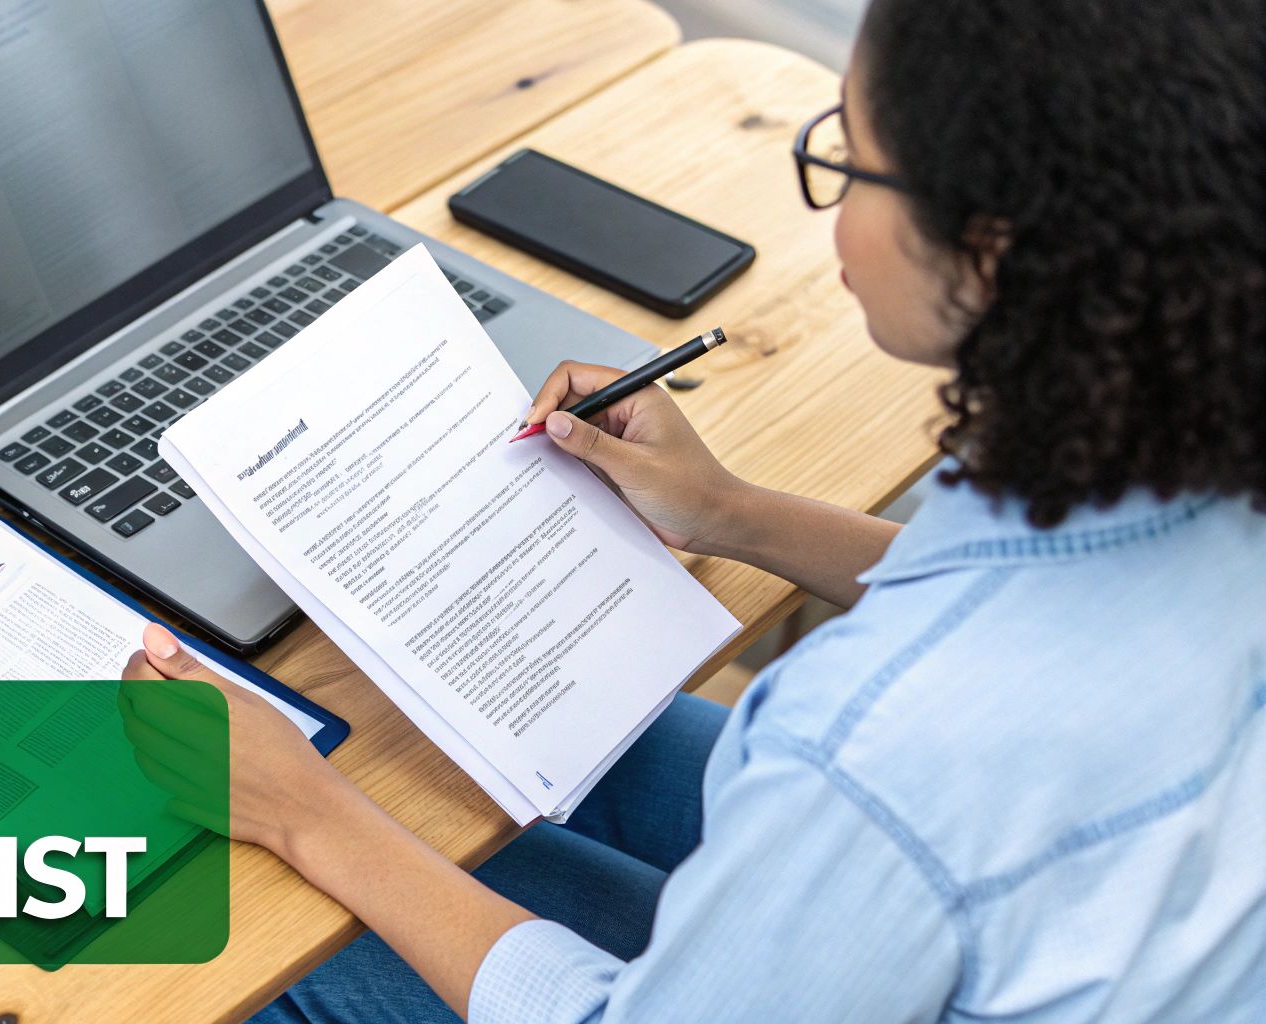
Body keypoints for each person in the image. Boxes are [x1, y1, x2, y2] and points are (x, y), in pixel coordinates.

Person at [120, 0, 1266, 1018]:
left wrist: (303, 814)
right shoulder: (1201, 460)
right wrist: (729, 510)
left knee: (237, 931)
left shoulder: (870, 750)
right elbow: (1031, 612)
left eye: (851, 158)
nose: (830, 205)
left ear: (990, 248)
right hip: (1105, 906)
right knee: (562, 740)